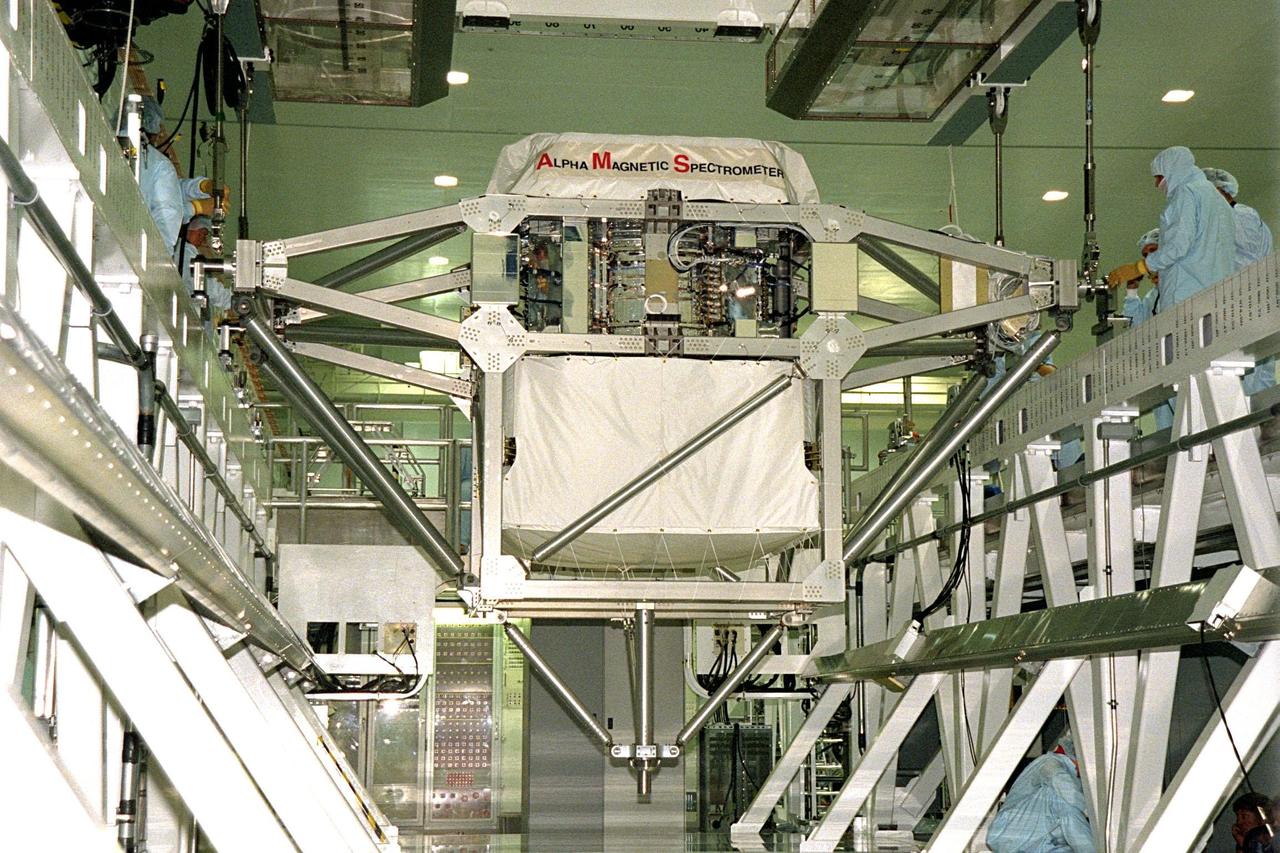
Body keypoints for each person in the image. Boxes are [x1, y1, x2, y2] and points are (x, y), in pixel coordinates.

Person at [1106, 146, 1236, 306]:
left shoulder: (1185, 194)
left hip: (1187, 295)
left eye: (1159, 177)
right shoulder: (1216, 198)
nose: (1157, 184)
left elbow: (1178, 245)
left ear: (1174, 171)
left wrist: (1140, 267)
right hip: (1217, 295)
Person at [1203, 167, 1275, 395]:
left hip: (1250, 309)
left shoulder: (1240, 217)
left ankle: (1264, 428)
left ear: (1225, 192)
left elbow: (1241, 267)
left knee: (1256, 382)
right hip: (1240, 311)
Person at [987, 732, 1094, 853]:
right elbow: (1065, 788)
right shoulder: (1049, 763)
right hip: (1011, 836)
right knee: (1064, 803)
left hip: (1037, 843)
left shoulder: (1069, 775)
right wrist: (1094, 813)